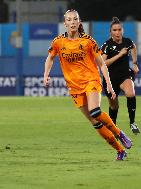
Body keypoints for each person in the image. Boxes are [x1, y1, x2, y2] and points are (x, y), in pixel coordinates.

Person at [43, 9, 132, 160]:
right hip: (74, 86)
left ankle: (119, 133)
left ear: (79, 22)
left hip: (91, 80)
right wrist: (46, 75)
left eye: (75, 19)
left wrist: (109, 85)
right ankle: (120, 151)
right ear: (65, 23)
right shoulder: (58, 42)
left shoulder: (88, 41)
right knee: (95, 123)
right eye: (69, 20)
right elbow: (50, 58)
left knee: (95, 111)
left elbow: (102, 64)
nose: (72, 22)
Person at [101, 17, 140, 134]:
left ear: (122, 30)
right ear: (111, 32)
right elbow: (103, 63)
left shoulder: (127, 41)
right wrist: (120, 54)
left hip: (125, 75)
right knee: (114, 106)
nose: (117, 32)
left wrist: (134, 63)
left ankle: (132, 123)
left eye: (119, 30)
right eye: (114, 30)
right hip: (110, 79)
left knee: (130, 93)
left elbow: (133, 47)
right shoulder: (107, 45)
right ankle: (113, 128)